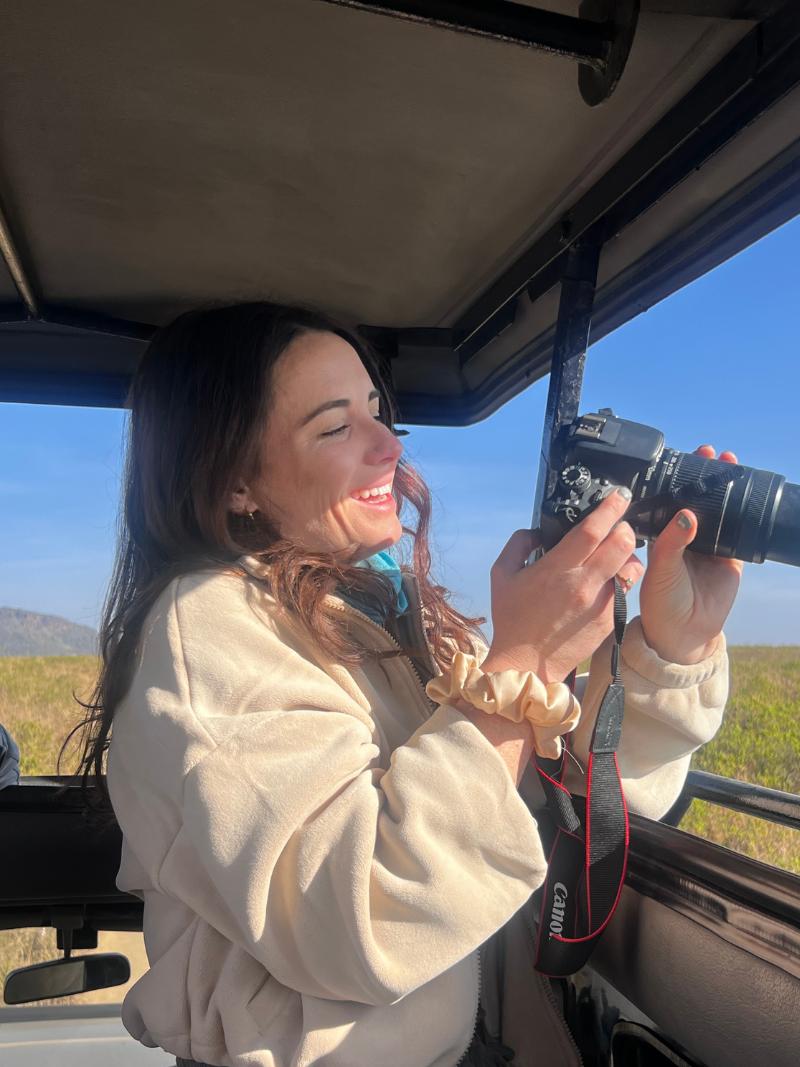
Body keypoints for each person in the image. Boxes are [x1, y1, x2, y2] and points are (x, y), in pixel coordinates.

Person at [76, 302, 738, 1067]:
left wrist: (669, 646)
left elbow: (547, 806)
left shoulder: (379, 611)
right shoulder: (209, 624)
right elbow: (360, 916)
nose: (389, 444)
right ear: (235, 483)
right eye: (335, 426)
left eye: (377, 411)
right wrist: (521, 665)